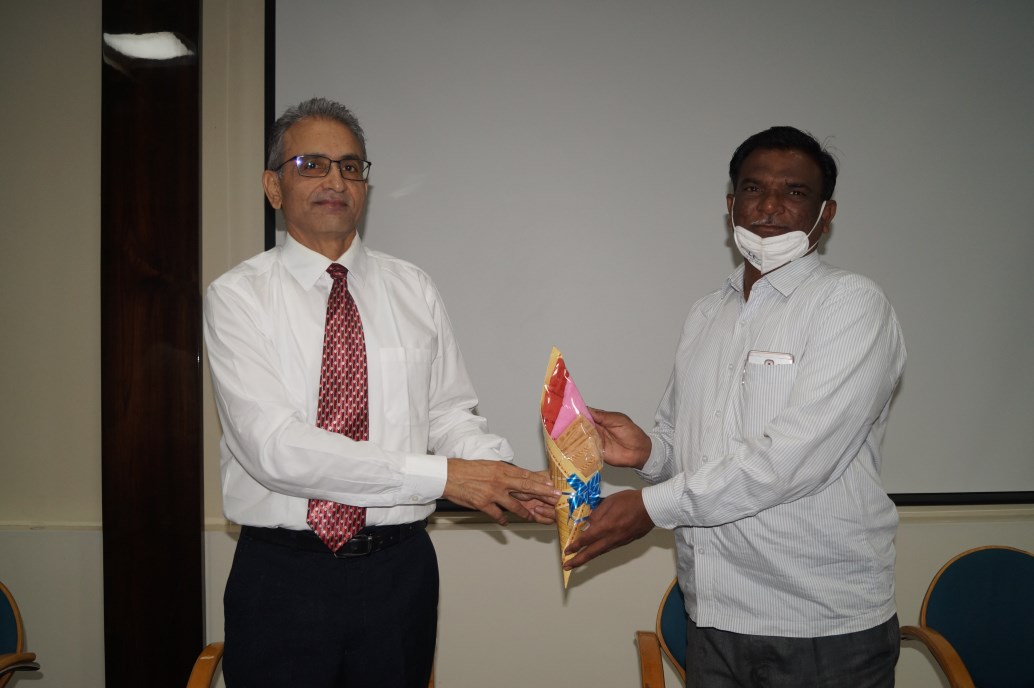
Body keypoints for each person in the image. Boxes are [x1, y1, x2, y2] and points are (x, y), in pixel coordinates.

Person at [203, 96, 558, 688]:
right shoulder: (237, 297)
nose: (335, 180)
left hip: (400, 572)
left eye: (351, 166)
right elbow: (275, 449)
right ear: (273, 187)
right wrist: (447, 477)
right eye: (311, 165)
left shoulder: (413, 288)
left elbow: (447, 414)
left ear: (366, 185)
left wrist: (506, 477)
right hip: (283, 575)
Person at [565, 126, 906, 687]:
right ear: (731, 205)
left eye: (794, 192)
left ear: (826, 214)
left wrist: (650, 508)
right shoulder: (707, 313)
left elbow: (791, 460)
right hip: (713, 615)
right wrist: (651, 453)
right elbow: (696, 449)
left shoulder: (850, 305)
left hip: (821, 626)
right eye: (753, 188)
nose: (769, 206)